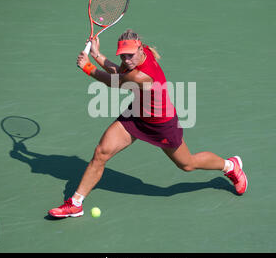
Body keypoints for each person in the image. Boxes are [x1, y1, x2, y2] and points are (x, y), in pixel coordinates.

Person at [48, 29, 247, 218]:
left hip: (162, 123)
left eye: (130, 55)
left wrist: (87, 66)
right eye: (122, 55)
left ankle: (230, 166)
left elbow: (115, 81)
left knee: (187, 164)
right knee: (101, 152)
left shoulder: (143, 75)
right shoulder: (135, 60)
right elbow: (119, 71)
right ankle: (75, 203)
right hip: (136, 114)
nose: (126, 60)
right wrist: (97, 54)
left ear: (140, 50)